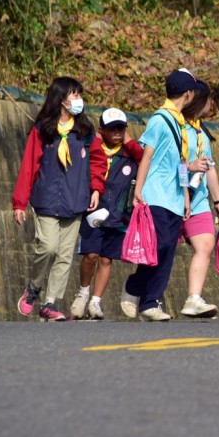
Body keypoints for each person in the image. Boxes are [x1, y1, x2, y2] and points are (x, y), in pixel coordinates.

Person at [12, 77, 106, 321]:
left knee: (65, 256)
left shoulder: (85, 132)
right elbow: (29, 166)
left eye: (79, 95)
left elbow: (98, 161)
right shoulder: (43, 130)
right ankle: (33, 288)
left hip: (75, 203)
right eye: (74, 95)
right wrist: (20, 202)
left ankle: (50, 302)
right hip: (47, 200)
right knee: (48, 247)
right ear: (61, 99)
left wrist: (96, 188)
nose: (79, 100)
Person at [120, 68, 203, 321]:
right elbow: (146, 156)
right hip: (155, 195)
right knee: (158, 245)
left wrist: (186, 196)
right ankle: (135, 287)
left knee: (168, 250)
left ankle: (150, 302)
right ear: (188, 94)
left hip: (175, 198)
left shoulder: (179, 123)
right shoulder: (160, 119)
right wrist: (139, 190)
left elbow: (178, 162)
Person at [69, 108, 144, 320]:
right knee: (90, 255)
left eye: (121, 128)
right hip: (94, 213)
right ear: (102, 130)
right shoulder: (94, 150)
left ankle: (96, 301)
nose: (117, 132)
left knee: (106, 259)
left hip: (119, 216)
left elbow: (144, 157)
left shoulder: (129, 153)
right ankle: (83, 293)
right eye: (112, 129)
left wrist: (129, 141)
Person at [179, 80, 219, 319]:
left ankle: (193, 298)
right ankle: (137, 293)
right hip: (174, 197)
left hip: (198, 200)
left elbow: (209, 169)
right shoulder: (177, 127)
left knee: (206, 245)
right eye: (209, 99)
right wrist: (188, 167)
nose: (212, 104)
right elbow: (171, 163)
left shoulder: (202, 131)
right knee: (162, 250)